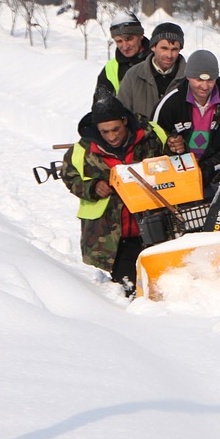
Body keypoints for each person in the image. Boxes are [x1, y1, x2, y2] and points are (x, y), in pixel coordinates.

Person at [61, 95, 167, 295]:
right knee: (130, 292)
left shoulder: (151, 137)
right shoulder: (82, 150)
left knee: (163, 288)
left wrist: (178, 147)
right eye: (105, 132)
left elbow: (175, 161)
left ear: (125, 121)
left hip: (156, 229)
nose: (111, 137)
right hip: (115, 239)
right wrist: (92, 187)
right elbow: (70, 178)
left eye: (116, 129)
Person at [154, 49, 220, 195]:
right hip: (177, 180)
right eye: (199, 80)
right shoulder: (171, 103)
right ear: (188, 76)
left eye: (210, 80)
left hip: (215, 179)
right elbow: (153, 140)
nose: (204, 86)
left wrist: (208, 167)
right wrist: (170, 146)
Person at [116, 21, 186, 123]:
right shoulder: (133, 75)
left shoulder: (189, 78)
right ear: (153, 47)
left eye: (174, 49)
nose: (169, 55)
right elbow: (121, 115)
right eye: (164, 48)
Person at [93, 12, 151, 103]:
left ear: (141, 35)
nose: (125, 46)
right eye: (119, 41)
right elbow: (100, 106)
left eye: (129, 39)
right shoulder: (111, 68)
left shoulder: (159, 61)